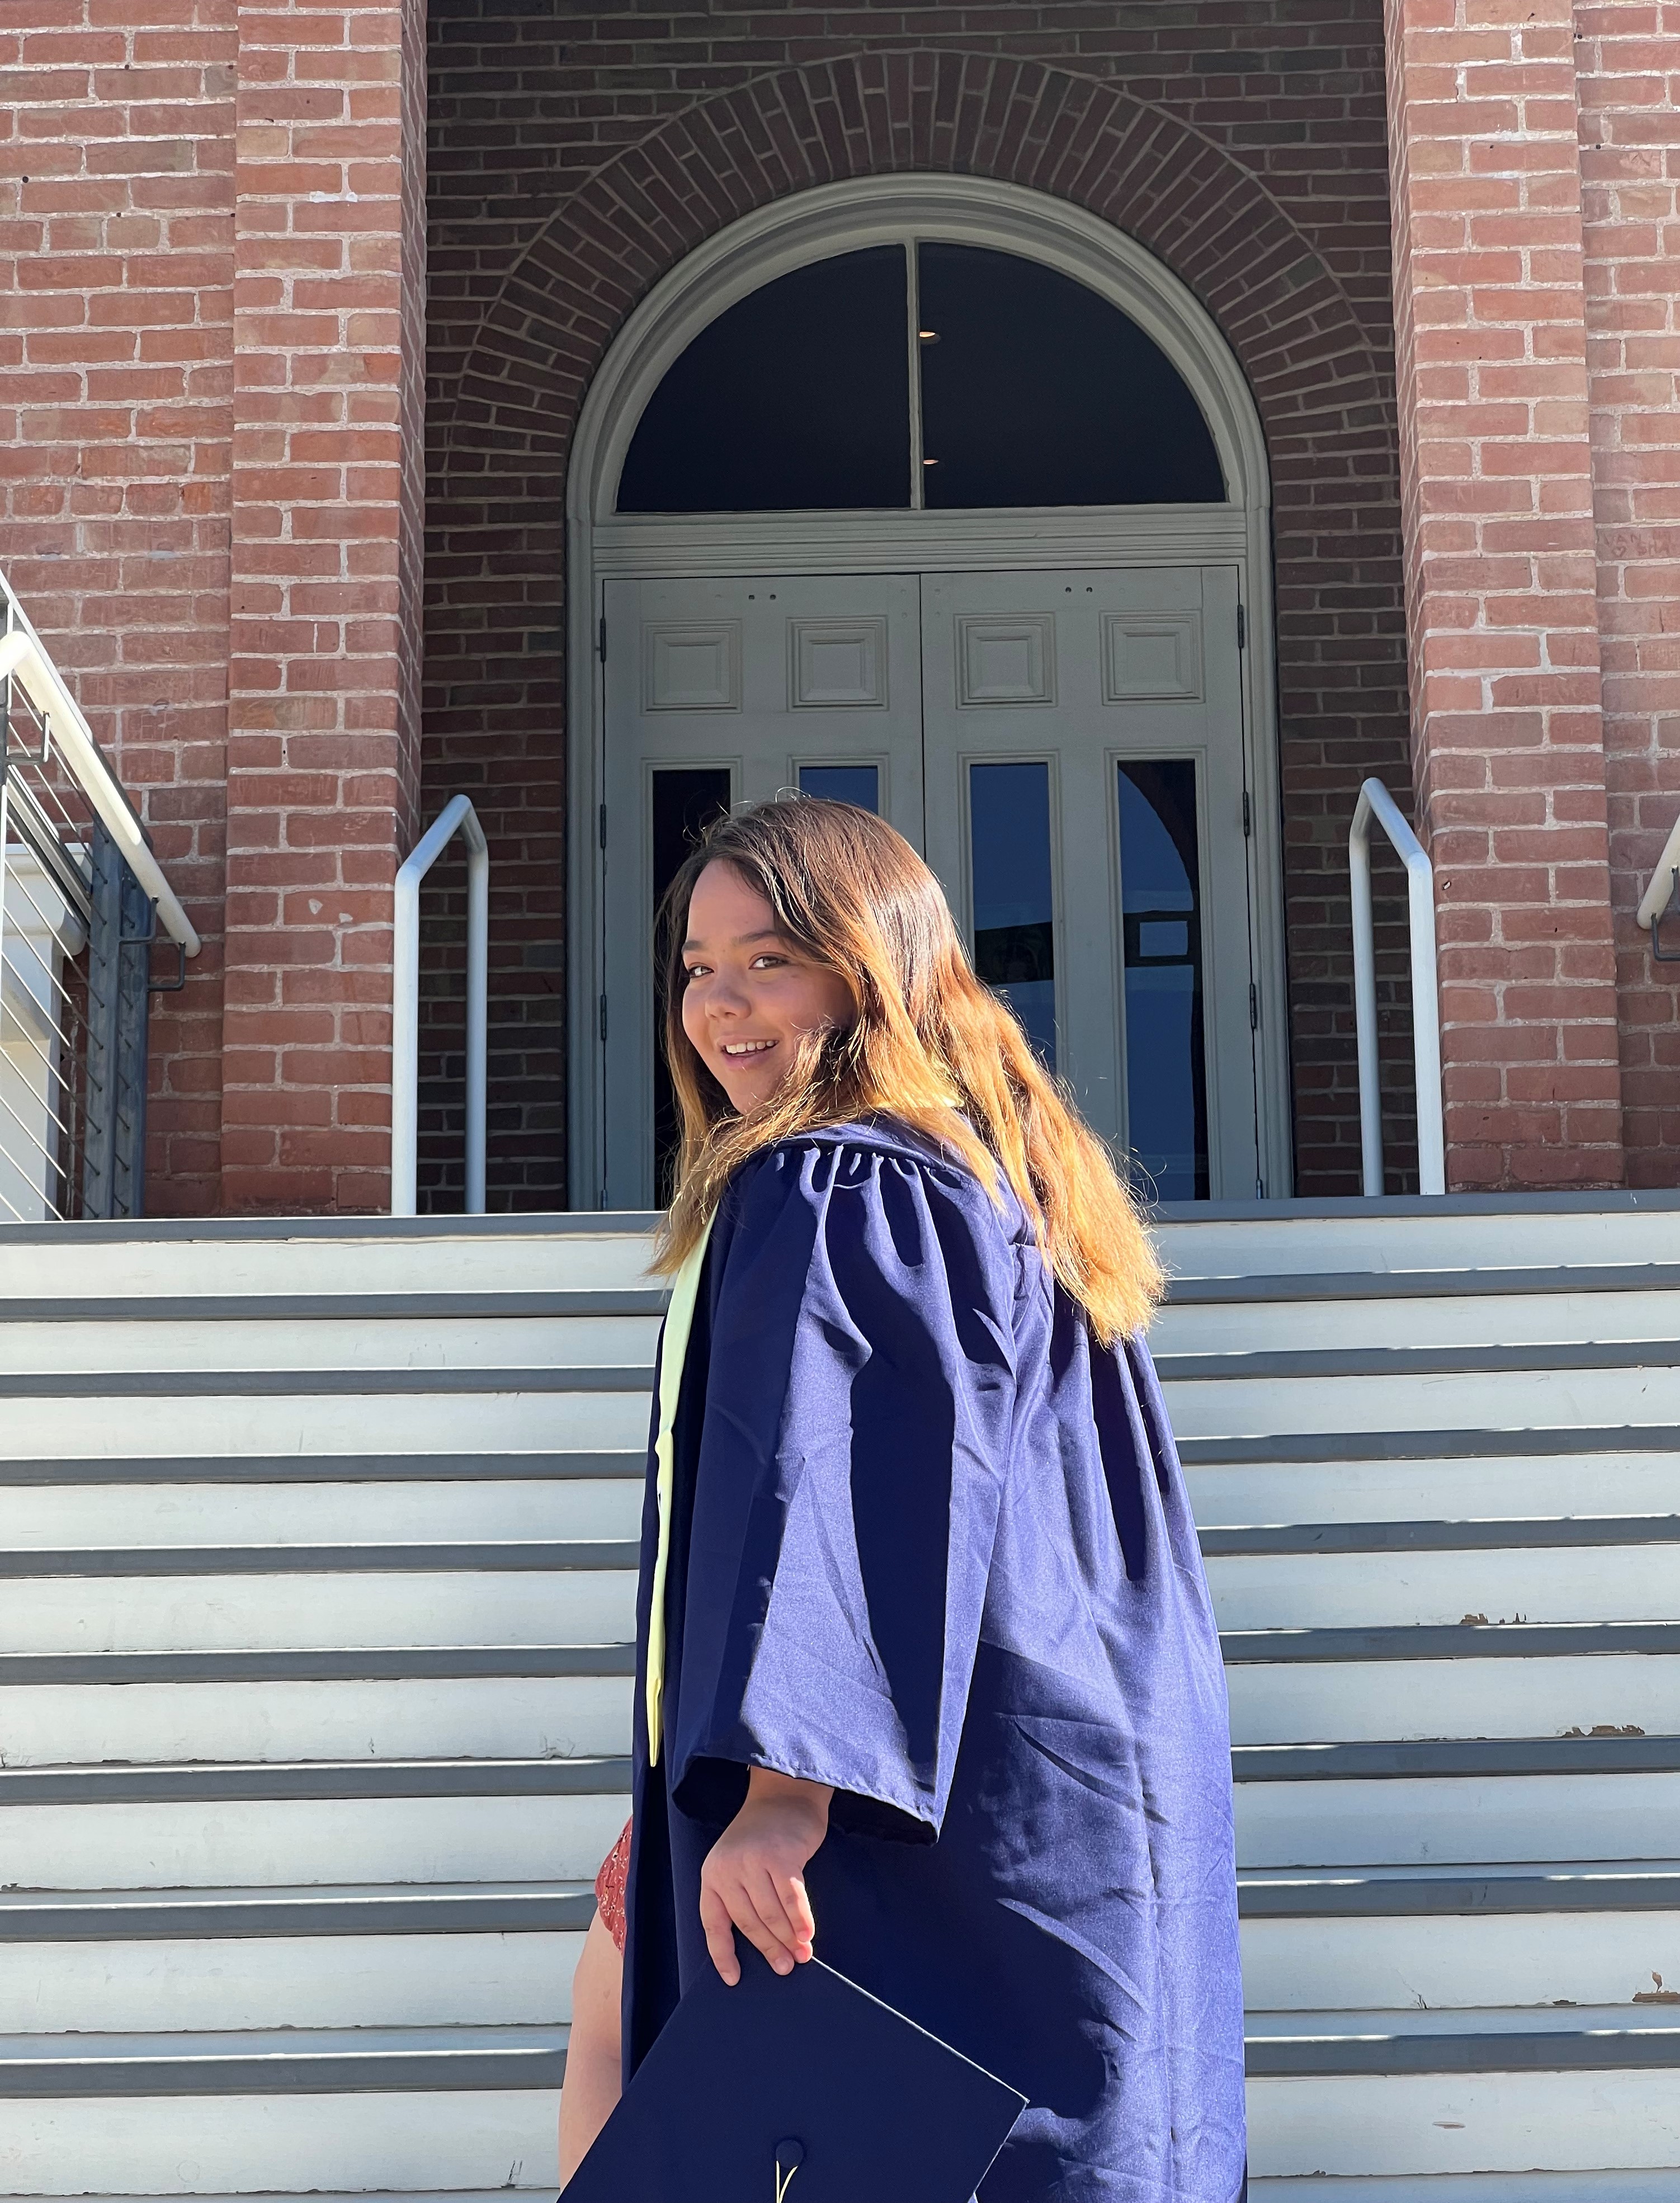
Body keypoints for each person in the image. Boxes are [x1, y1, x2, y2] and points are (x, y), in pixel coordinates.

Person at [557, 796, 1246, 2200]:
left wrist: (781, 1786)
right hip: (1064, 1775)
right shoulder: (1002, 1180)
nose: (719, 1004)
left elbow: (834, 1474)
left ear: (869, 967)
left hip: (909, 1811)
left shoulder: (835, 1179)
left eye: (769, 959)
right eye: (696, 966)